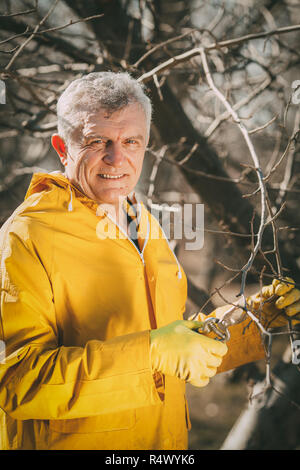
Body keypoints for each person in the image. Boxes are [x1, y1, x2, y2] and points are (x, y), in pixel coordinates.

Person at [0, 72, 299, 451]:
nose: (117, 157)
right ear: (62, 147)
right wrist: (152, 352)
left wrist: (260, 321)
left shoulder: (142, 221)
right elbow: (17, 383)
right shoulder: (26, 237)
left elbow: (173, 345)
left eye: (131, 141)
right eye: (97, 141)